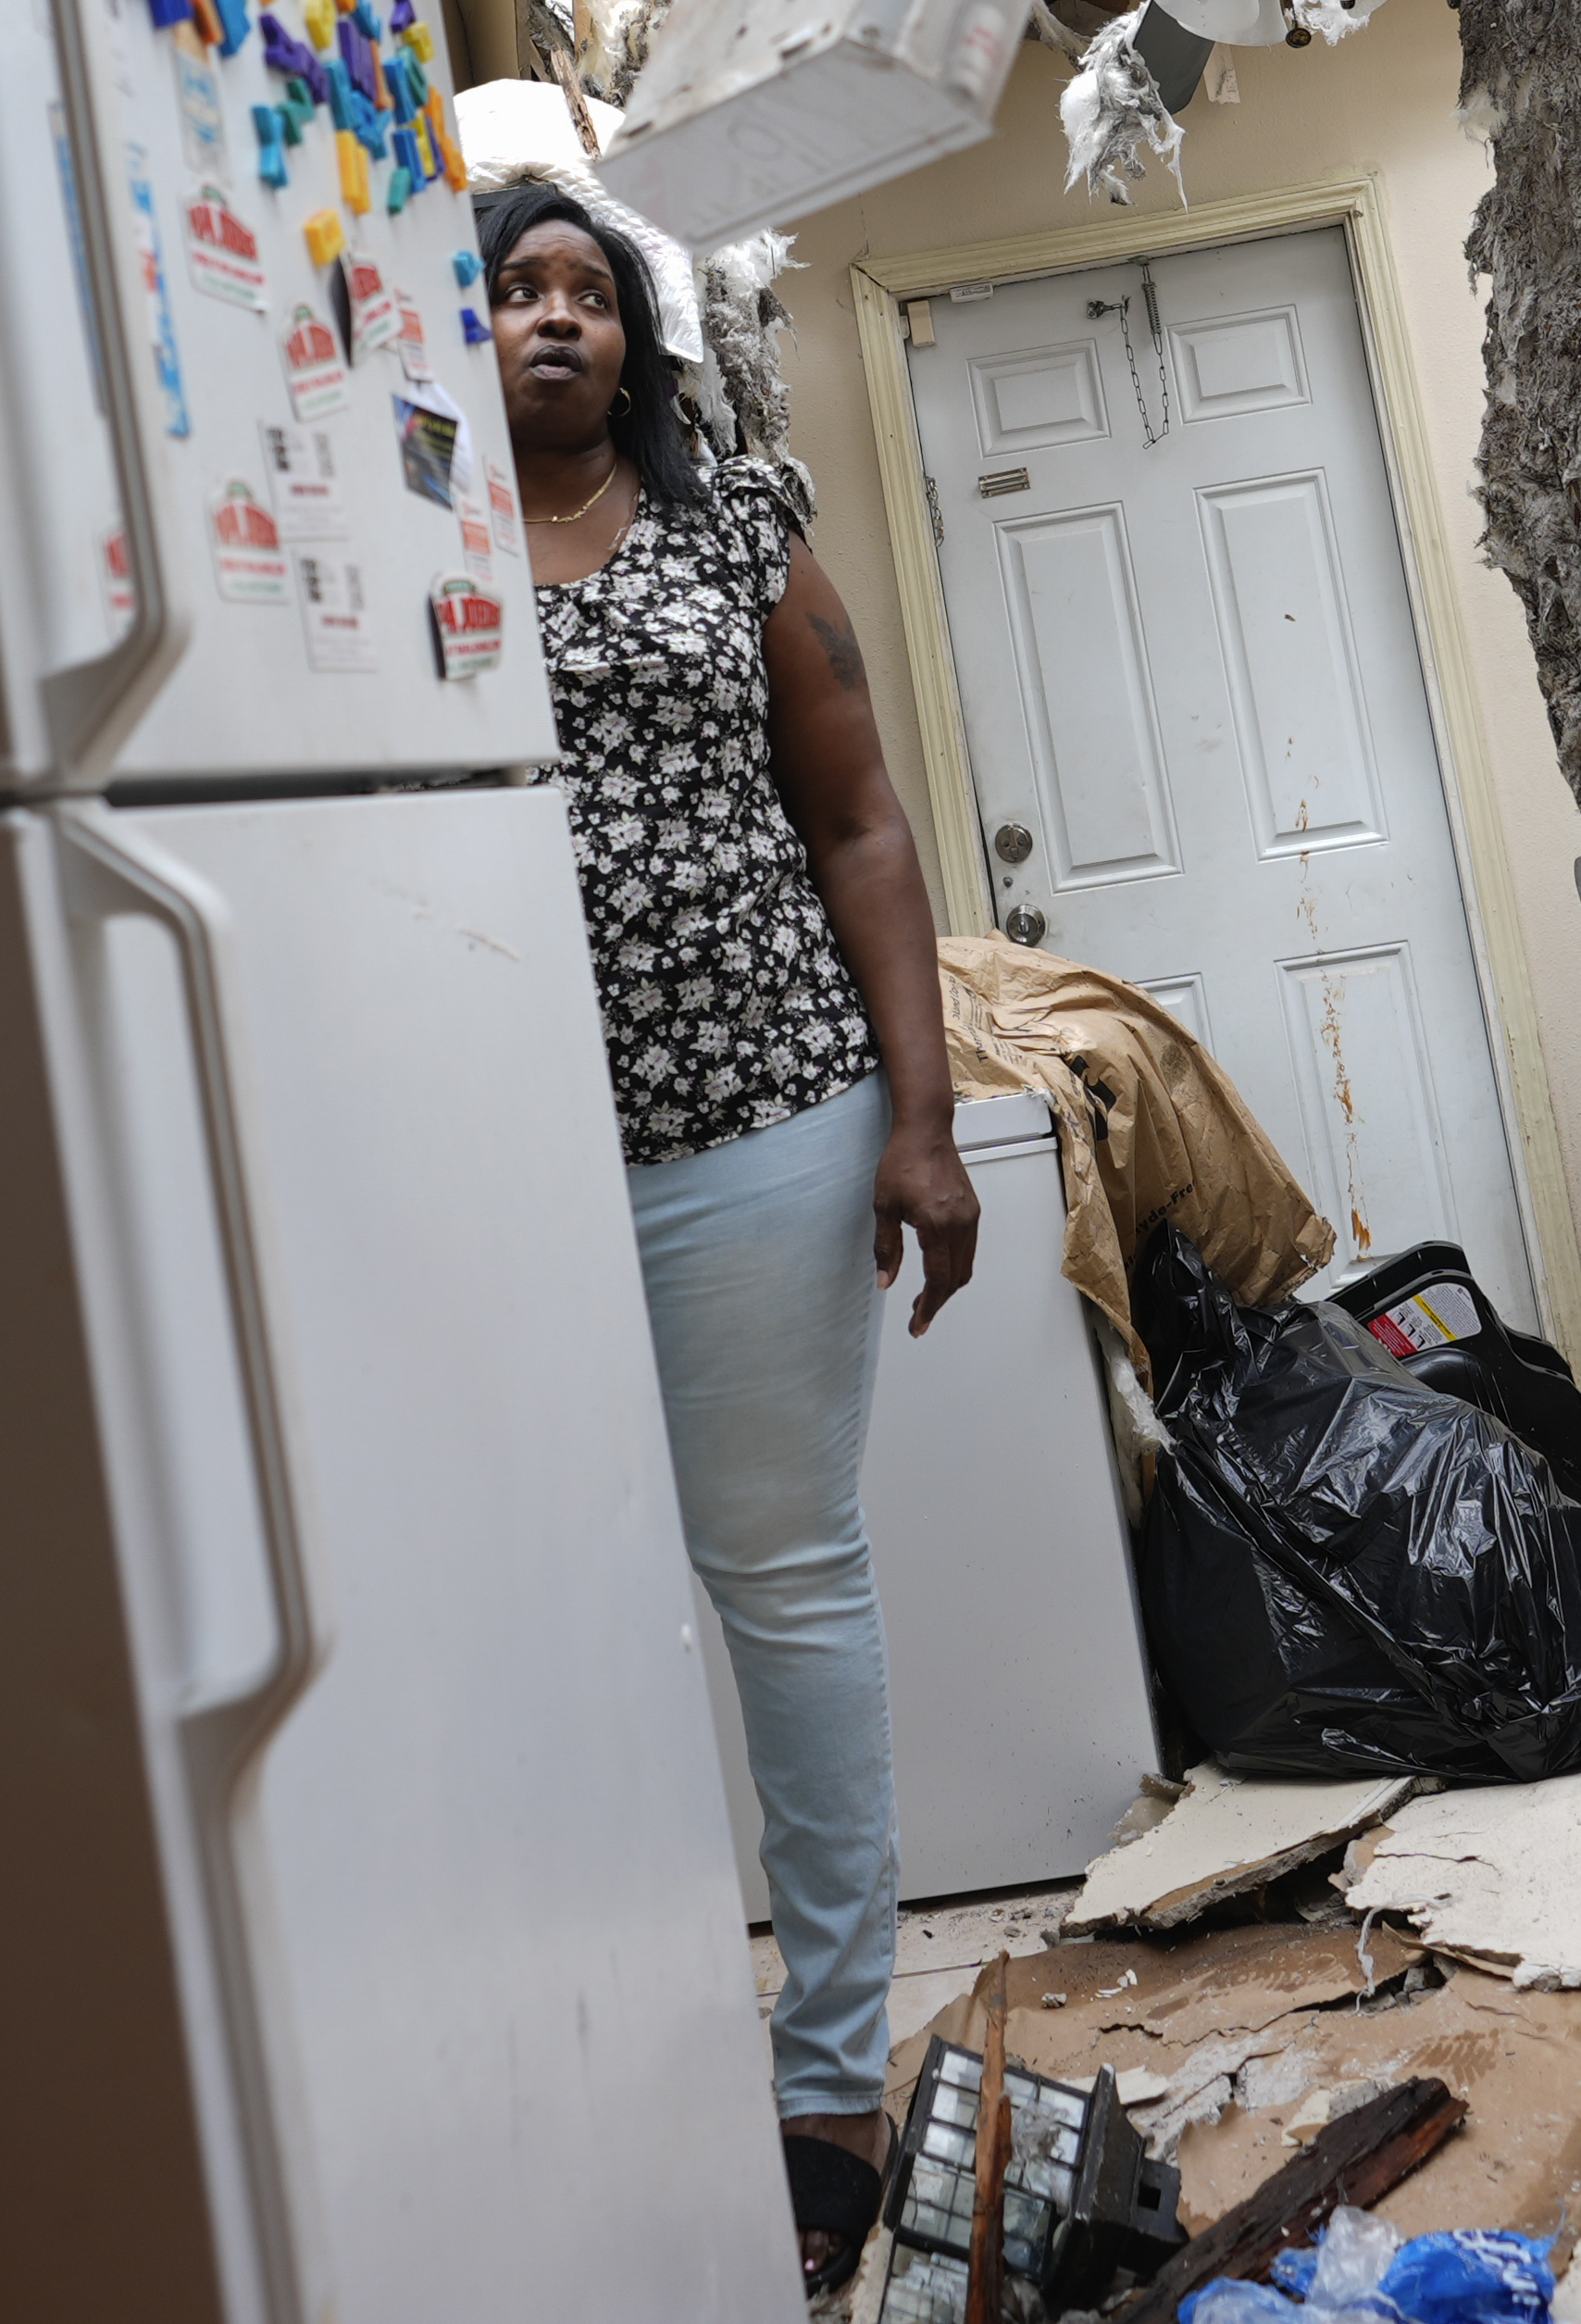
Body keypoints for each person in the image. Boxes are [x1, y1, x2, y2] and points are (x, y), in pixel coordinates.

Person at [476, 175, 976, 2294]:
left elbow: (858, 810)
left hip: (761, 1122)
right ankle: (579, 2040)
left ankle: (830, 2070)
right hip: (482, 1167)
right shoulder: (385, 539)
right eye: (514, 288)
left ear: (638, 341)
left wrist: (927, 1116)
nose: (555, 320)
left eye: (589, 292)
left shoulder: (736, 520)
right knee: (531, 1621)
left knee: (781, 1583)